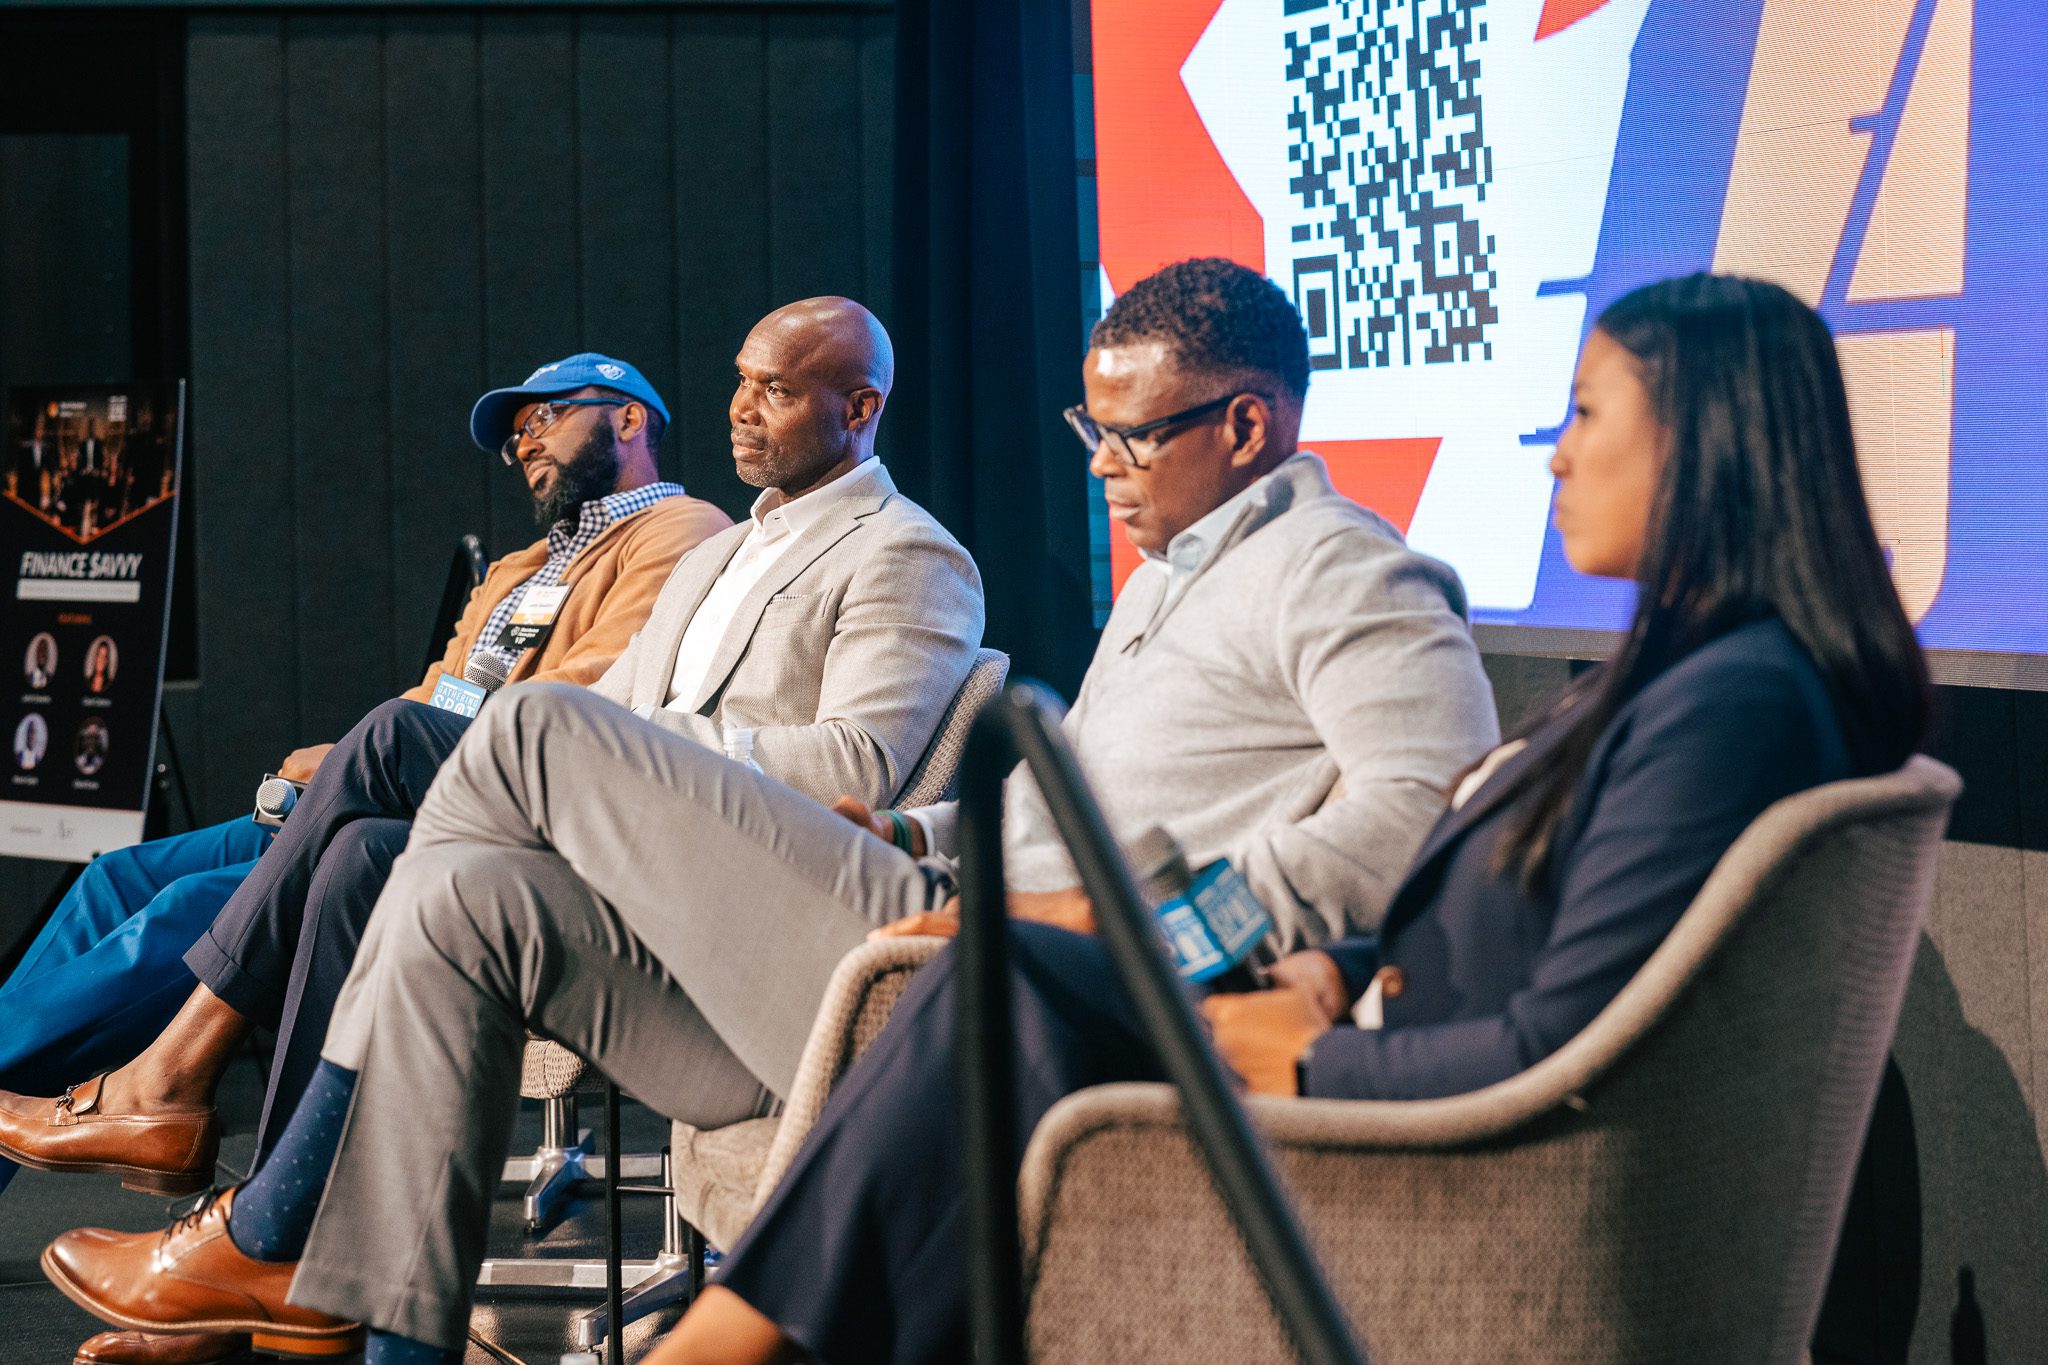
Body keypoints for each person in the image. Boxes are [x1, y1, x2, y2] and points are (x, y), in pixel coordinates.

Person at [36, 258, 1501, 1365]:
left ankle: (262, 1204)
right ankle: (353, 1315)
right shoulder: (1168, 576)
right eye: (1091, 429)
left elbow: (1417, 819)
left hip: (975, 981)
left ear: (1246, 425)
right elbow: (1076, 813)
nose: (1100, 464)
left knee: (534, 727)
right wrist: (922, 837)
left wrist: (1153, 928)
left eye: (1132, 436)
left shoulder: (1347, 569)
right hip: (907, 923)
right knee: (455, 896)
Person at [614, 272, 1936, 1365]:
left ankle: (726, 1345)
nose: (1560, 448)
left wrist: (1256, 1004)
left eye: (1591, 413)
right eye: (1098, 435)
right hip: (1327, 1013)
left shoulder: (1712, 699)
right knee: (999, 986)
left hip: (1418, 1132)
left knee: (990, 976)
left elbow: (1545, 1010)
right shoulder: (1677, 677)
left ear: (1707, 441)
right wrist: (1333, 974)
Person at [0, 351, 730, 1164]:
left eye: (546, 417)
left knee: (193, 905)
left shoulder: (682, 530)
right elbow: (437, 690)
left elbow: (596, 684)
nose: (524, 442)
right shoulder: (523, 566)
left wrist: (368, 749)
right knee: (114, 879)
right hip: (404, 777)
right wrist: (358, 753)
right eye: (515, 433)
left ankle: (155, 1093)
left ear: (628, 418)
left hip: (501, 803)